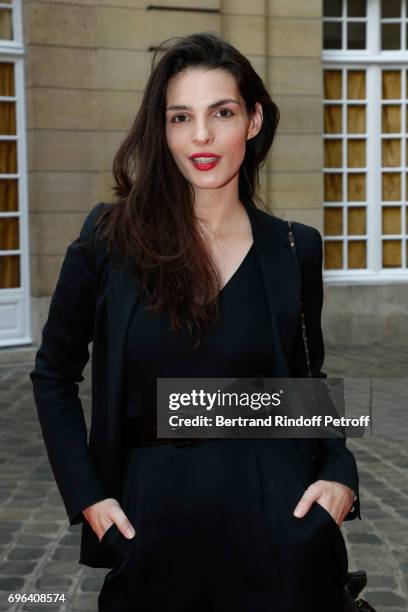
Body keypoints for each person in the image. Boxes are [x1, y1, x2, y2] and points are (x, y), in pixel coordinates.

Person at [29, 31, 361, 612]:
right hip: (152, 534)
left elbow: (306, 387)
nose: (201, 136)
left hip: (280, 535)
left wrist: (341, 474)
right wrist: (89, 497)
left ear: (253, 121)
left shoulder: (293, 247)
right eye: (181, 117)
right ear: (163, 129)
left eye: (222, 113)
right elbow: (53, 373)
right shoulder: (109, 239)